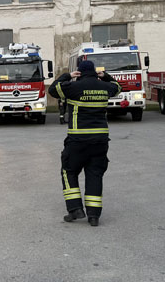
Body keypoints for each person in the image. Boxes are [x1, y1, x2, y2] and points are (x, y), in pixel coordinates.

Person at [49, 60, 121, 227]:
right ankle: (94, 216)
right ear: (95, 72)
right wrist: (105, 76)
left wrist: (68, 75)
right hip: (100, 141)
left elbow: (53, 90)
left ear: (79, 72)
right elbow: (118, 87)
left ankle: (75, 209)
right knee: (95, 174)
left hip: (77, 140)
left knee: (68, 171)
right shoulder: (104, 86)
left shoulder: (72, 87)